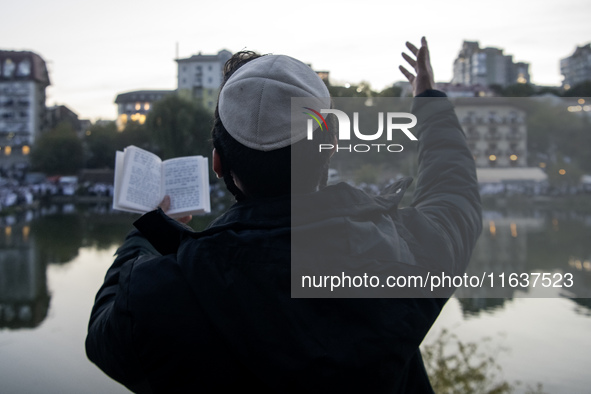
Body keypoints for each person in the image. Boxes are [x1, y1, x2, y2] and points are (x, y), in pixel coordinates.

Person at [86, 37, 481, 393]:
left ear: (218, 163)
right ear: (330, 147)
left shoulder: (162, 295)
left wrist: (145, 235)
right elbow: (453, 185)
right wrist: (427, 98)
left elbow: (105, 335)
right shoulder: (409, 250)